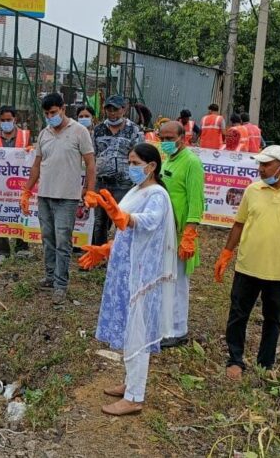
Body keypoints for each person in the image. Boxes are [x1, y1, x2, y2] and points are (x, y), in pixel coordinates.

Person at [78, 143, 177, 415]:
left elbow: (148, 222)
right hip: (125, 270)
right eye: (129, 162)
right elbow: (126, 233)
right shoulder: (137, 190)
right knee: (128, 326)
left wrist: (122, 216)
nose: (130, 168)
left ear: (151, 166)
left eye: (135, 163)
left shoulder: (157, 195)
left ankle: (135, 397)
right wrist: (106, 249)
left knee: (138, 333)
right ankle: (130, 382)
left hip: (141, 274)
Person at [214, 145, 280, 381]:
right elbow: (239, 224)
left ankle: (265, 362)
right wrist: (226, 253)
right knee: (239, 314)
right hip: (248, 265)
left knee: (273, 318)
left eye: (266, 165)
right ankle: (235, 359)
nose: (260, 169)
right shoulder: (253, 190)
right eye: (260, 164)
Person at [21, 93, 96, 304]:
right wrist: (27, 191)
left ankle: (61, 284)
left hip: (67, 197)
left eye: (53, 112)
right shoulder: (44, 134)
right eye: (46, 114)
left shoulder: (79, 132)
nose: (50, 117)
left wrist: (89, 191)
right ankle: (50, 276)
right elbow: (37, 165)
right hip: (45, 195)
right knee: (48, 238)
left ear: (63, 109)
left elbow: (90, 163)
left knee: (63, 241)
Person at [158, 121, 205, 347]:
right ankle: (164, 325)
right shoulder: (167, 159)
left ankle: (178, 329)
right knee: (166, 278)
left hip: (180, 233)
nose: (166, 143)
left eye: (170, 138)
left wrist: (189, 232)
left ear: (183, 138)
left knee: (178, 281)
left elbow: (196, 201)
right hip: (165, 230)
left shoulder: (191, 163)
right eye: (162, 139)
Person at [90, 95, 144, 245]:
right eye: (109, 109)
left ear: (124, 109)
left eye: (115, 109)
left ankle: (121, 252)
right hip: (102, 183)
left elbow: (140, 155)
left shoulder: (133, 130)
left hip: (124, 183)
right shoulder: (98, 129)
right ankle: (98, 253)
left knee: (121, 218)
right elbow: (92, 155)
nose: (112, 113)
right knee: (100, 221)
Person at [0, 106, 31, 260]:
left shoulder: (25, 136)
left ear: (15, 119)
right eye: (3, 120)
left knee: (21, 213)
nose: (6, 123)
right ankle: (2, 251)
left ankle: (22, 248)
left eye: (9, 120)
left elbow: (31, 156)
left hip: (19, 183)